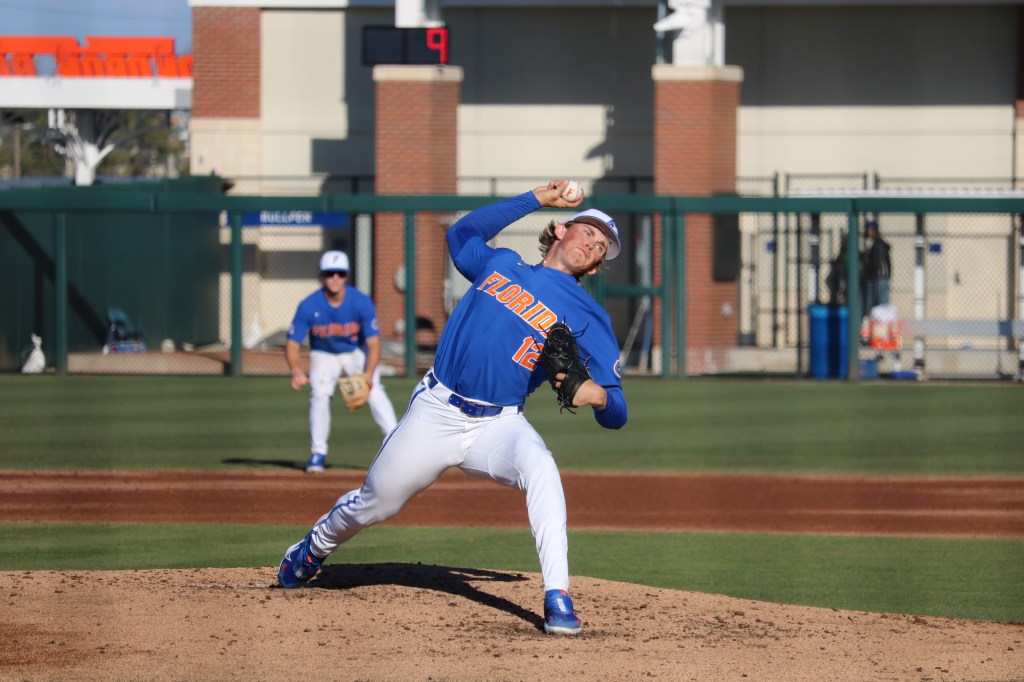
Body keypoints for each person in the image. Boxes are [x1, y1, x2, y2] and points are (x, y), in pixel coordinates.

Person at [277, 180, 628, 636]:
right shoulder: (501, 264)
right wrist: (536, 198)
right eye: (588, 232)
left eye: (601, 247)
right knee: (376, 503)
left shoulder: (589, 317)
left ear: (597, 266)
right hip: (437, 411)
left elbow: (617, 409)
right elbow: (461, 234)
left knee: (542, 468)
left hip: (500, 425)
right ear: (561, 230)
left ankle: (557, 595)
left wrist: (598, 396)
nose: (592, 245)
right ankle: (314, 546)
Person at [285, 250, 398, 474]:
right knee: (319, 394)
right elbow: (292, 343)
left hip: (355, 352)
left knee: (374, 391)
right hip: (323, 353)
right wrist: (296, 370)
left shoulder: (360, 302)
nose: (335, 278)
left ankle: (397, 445)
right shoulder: (309, 305)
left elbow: (374, 344)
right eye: (330, 273)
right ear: (322, 275)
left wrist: (367, 376)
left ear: (346, 275)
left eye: (340, 273)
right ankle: (318, 453)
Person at [861, 219, 891, 314]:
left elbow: (878, 262)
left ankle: (880, 323)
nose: (868, 232)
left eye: (870, 229)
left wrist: (869, 269)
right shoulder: (874, 244)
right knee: (877, 303)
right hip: (878, 277)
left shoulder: (878, 245)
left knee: (880, 304)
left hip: (878, 277)